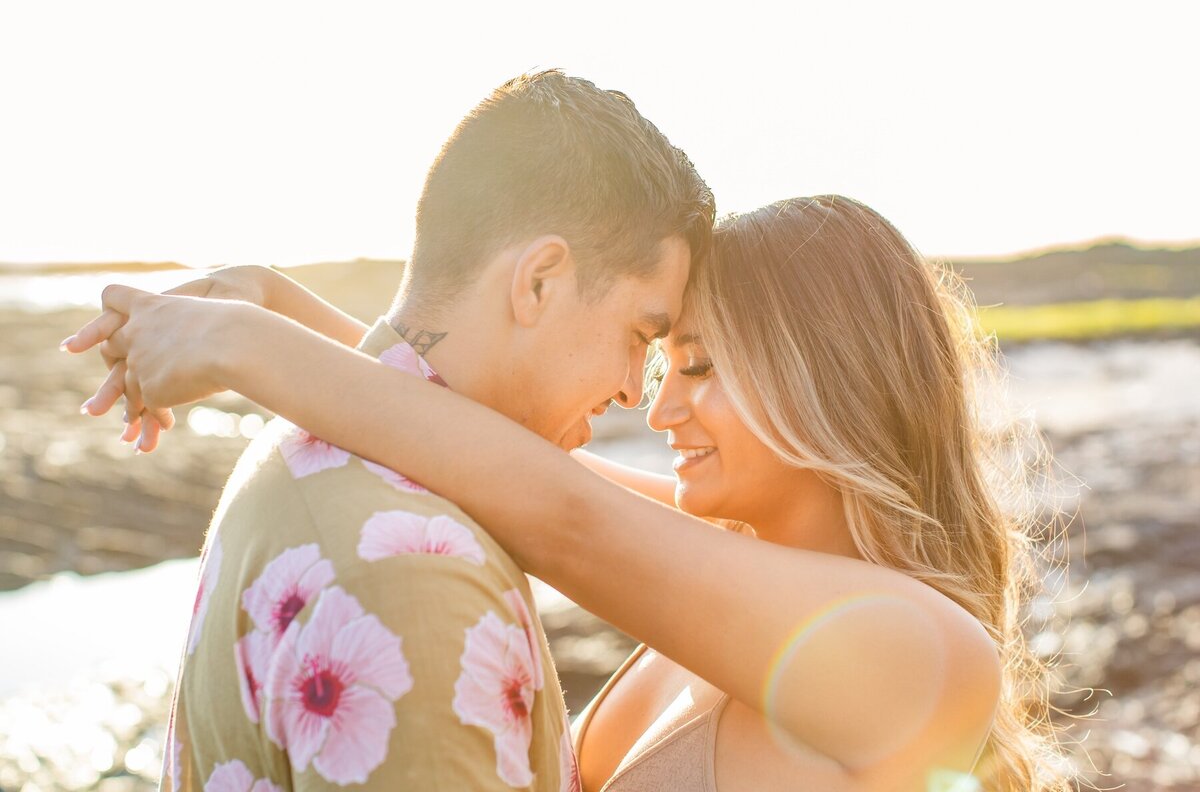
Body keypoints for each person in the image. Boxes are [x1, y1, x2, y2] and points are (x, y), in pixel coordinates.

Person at [68, 196, 1072, 791]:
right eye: (660, 359)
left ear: (829, 375)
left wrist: (244, 348)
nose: (661, 403)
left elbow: (559, 510)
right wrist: (271, 297)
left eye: (702, 363)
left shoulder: (920, 652)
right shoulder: (729, 564)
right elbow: (497, 457)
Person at [64, 69, 715, 791]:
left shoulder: (309, 443)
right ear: (538, 282)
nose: (634, 386)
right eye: (639, 333)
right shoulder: (419, 583)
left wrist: (265, 312)